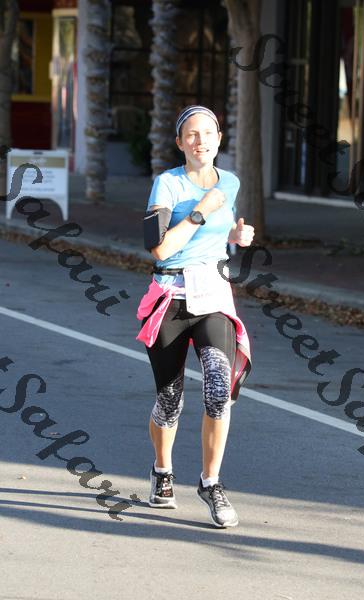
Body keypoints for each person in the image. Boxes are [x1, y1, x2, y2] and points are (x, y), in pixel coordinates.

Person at [135, 105, 254, 528]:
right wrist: (201, 210)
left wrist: (236, 236)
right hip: (169, 297)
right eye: (191, 134)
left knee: (219, 390)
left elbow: (218, 234)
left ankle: (211, 482)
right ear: (180, 143)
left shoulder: (231, 182)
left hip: (213, 296)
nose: (200, 140)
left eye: (207, 133)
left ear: (219, 139)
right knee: (170, 399)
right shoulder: (167, 184)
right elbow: (160, 248)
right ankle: (162, 470)